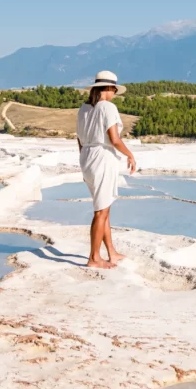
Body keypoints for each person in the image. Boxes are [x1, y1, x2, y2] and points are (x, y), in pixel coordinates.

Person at [76, 71, 137, 269]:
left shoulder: (84, 109)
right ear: (109, 88)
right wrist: (130, 155)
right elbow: (115, 139)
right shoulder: (108, 107)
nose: (114, 93)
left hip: (87, 157)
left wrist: (84, 160)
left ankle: (111, 252)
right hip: (102, 158)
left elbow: (79, 139)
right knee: (101, 211)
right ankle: (94, 258)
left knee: (104, 207)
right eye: (114, 90)